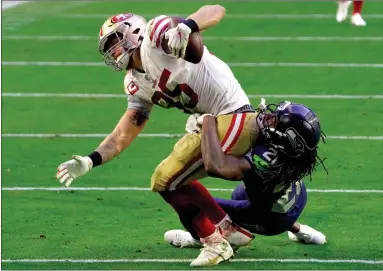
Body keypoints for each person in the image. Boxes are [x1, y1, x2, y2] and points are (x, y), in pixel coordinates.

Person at [56, 5, 263, 267]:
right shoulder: (135, 81)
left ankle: (216, 242)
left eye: (115, 41)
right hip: (209, 123)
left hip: (234, 115)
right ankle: (226, 230)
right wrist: (91, 160)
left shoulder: (156, 36)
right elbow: (123, 133)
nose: (112, 51)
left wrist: (188, 26)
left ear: (132, 33)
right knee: (164, 179)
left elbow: (217, 9)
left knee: (169, 179)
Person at [165, 101, 327, 249]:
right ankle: (299, 230)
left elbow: (216, 167)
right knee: (239, 194)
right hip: (295, 200)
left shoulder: (265, 159)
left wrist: (208, 122)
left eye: (275, 120)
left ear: (290, 138)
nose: (268, 118)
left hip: (272, 220)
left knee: (191, 202)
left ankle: (200, 237)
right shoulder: (294, 152)